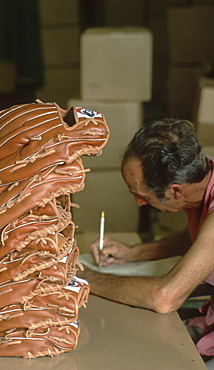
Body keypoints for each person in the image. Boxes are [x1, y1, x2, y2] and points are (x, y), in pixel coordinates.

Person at [78, 118, 214, 359]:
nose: (139, 203)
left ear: (175, 190)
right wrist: (132, 252)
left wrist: (84, 277)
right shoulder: (201, 182)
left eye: (142, 195)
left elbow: (164, 298)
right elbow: (190, 238)